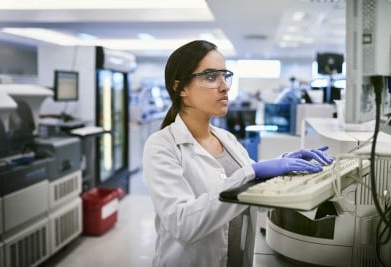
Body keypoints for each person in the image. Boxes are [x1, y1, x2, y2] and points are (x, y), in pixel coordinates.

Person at [142, 40, 333, 267]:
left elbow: (253, 196)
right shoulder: (162, 146)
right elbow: (183, 225)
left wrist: (286, 168)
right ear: (180, 88)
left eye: (225, 75)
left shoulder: (227, 139)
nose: (225, 86)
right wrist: (252, 171)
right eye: (211, 76)